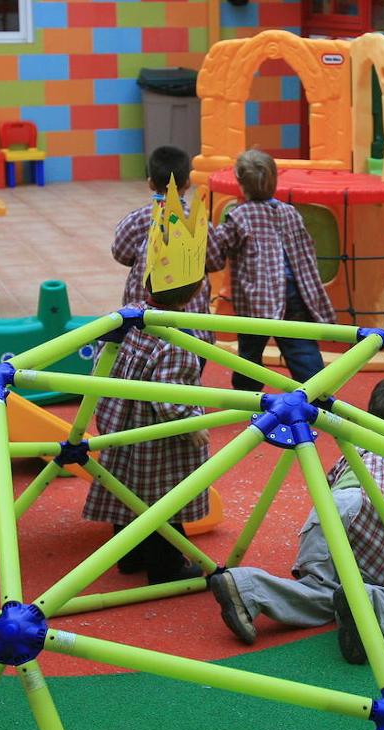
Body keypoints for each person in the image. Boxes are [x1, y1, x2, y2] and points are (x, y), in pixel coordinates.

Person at [208, 377, 384, 664]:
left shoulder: (356, 444)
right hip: (371, 510)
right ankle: (365, 609)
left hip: (329, 510)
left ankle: (247, 587)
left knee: (321, 586)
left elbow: (326, 483)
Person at [83, 204, 213, 585]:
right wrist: (193, 426)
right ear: (194, 294)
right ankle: (166, 569)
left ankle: (128, 556)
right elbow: (169, 399)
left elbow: (101, 365)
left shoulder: (130, 316)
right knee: (164, 502)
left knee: (127, 492)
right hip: (156, 441)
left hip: (123, 427)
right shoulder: (175, 340)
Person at [206, 149, 335, 391]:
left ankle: (248, 395)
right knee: (301, 347)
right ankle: (318, 393)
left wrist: (204, 233)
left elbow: (216, 253)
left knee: (250, 350)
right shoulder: (290, 212)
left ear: (240, 184)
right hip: (295, 292)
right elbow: (306, 247)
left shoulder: (240, 216)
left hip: (257, 300)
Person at [112, 145, 213, 347]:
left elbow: (120, 252)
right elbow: (215, 258)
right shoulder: (200, 223)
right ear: (188, 182)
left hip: (144, 326)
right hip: (192, 329)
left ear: (150, 183)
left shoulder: (137, 220)